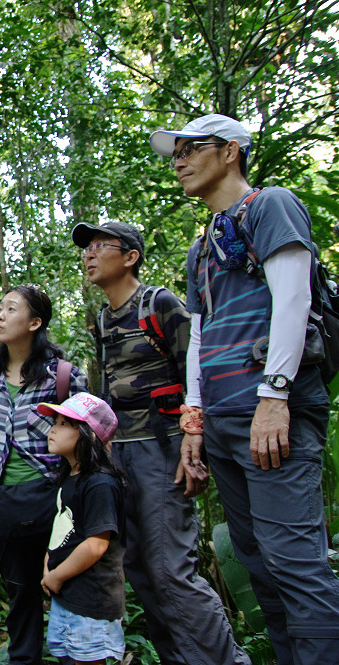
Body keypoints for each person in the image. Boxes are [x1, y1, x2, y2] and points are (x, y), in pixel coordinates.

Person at [150, 113, 339, 665]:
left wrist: (275, 394)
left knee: (296, 564)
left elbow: (294, 299)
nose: (179, 161)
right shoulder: (203, 244)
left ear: (230, 151)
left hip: (271, 416)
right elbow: (200, 335)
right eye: (175, 152)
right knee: (259, 568)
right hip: (225, 425)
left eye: (190, 149)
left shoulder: (270, 205)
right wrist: (194, 421)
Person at [70, 221, 249, 665]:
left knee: (171, 569)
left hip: (164, 448)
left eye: (99, 246)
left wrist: (195, 439)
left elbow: (198, 373)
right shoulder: (104, 320)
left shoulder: (160, 304)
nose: (88, 255)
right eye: (85, 248)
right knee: (141, 572)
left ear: (129, 256)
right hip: (122, 454)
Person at [0, 285, 88, 665]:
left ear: (35, 322)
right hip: (5, 505)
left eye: (11, 309)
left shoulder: (63, 377)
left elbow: (89, 440)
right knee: (21, 597)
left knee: (69, 589)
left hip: (57, 505)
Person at [37, 392, 125, 665]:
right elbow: (63, 529)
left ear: (88, 435)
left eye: (64, 423)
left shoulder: (99, 483)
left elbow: (96, 544)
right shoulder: (71, 478)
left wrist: (56, 576)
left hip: (91, 599)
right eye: (56, 421)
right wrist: (48, 567)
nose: (53, 429)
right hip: (69, 594)